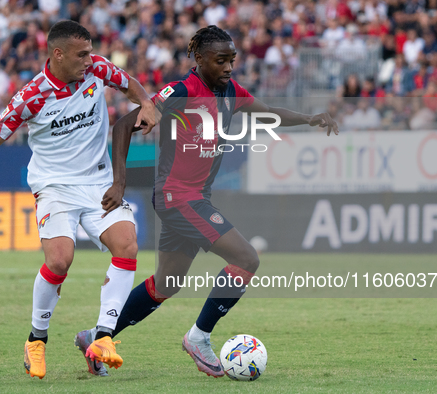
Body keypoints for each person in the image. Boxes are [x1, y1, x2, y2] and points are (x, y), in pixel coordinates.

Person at [77, 25, 339, 378]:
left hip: (193, 197)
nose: (229, 67)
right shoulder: (180, 92)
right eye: (221, 61)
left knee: (166, 284)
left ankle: (96, 339)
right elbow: (124, 125)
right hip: (177, 198)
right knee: (246, 258)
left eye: (232, 60)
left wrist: (308, 118)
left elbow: (266, 112)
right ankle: (198, 338)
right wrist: (119, 183)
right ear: (199, 59)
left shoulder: (230, 91)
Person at [0, 20, 156, 379]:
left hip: (97, 182)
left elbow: (129, 84)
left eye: (91, 51)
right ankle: (36, 340)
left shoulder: (97, 69)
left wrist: (145, 102)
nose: (90, 59)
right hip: (54, 187)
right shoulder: (31, 96)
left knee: (127, 245)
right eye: (82, 54)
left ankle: (103, 338)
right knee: (60, 260)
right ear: (57, 54)